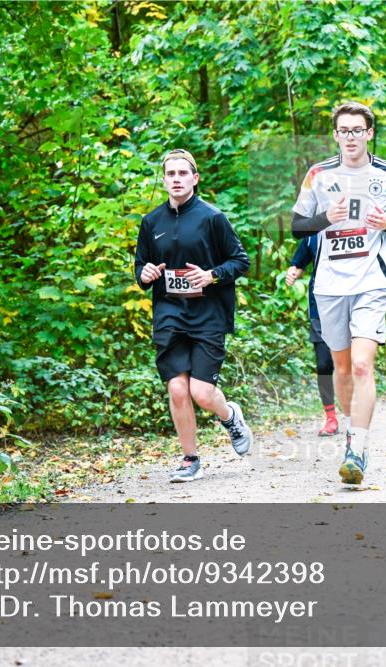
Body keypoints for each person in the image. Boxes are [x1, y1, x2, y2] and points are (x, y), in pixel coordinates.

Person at [291, 101, 386, 485]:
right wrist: (326, 219)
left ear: (369, 133)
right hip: (329, 285)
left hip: (371, 282)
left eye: (357, 130)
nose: (350, 137)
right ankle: (351, 430)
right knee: (341, 368)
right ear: (335, 135)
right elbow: (297, 227)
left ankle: (356, 449)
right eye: (343, 131)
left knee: (362, 365)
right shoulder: (318, 175)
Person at [134, 149, 253, 483]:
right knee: (177, 389)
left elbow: (240, 261)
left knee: (201, 393)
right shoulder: (151, 222)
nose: (175, 179)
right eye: (170, 173)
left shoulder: (212, 217)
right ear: (164, 179)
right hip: (169, 313)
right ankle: (190, 459)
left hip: (208, 314)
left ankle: (230, 416)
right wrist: (144, 275)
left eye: (182, 173)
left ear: (194, 178)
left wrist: (211, 275)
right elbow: (140, 266)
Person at [286, 235, 339, 437]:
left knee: (351, 363)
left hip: (353, 302)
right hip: (321, 305)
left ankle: (355, 416)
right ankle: (331, 417)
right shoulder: (313, 233)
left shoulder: (354, 224)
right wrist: (293, 272)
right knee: (324, 363)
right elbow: (299, 263)